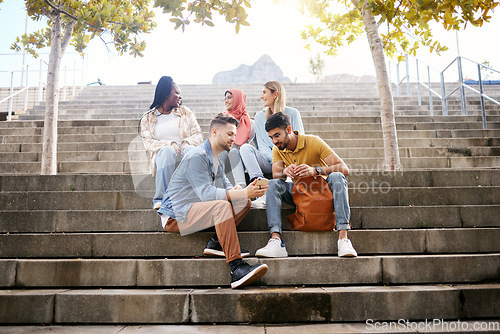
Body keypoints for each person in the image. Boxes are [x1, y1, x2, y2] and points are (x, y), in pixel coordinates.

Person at [158, 113, 269, 289]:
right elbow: (207, 194)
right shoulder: (197, 155)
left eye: (235, 134)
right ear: (215, 132)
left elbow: (225, 186)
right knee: (222, 206)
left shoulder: (215, 157)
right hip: (175, 215)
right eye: (230, 134)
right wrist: (241, 193)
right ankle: (236, 268)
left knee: (244, 202)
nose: (234, 138)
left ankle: (217, 241)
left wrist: (243, 191)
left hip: (195, 210)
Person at [255, 112, 358, 258]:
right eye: (271, 137)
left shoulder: (313, 141)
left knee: (337, 176)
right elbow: (276, 175)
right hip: (300, 192)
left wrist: (315, 170)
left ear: (289, 130)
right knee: (273, 184)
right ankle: (276, 241)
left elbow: (344, 168)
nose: (274, 141)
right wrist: (285, 171)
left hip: (322, 191)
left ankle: (343, 239)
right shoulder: (278, 149)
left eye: (277, 135)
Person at [140, 76, 203, 210]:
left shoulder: (185, 112)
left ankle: (200, 195)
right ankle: (161, 199)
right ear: (166, 93)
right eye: (177, 93)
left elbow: (198, 135)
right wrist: (170, 144)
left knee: (191, 150)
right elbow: (148, 143)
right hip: (164, 157)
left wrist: (186, 142)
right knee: (167, 151)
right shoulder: (148, 117)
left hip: (185, 153)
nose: (180, 96)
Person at [239, 81, 304, 208]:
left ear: (275, 94)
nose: (261, 96)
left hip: (290, 161)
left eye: (264, 92)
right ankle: (261, 188)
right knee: (245, 148)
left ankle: (290, 185)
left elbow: (299, 140)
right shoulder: (259, 117)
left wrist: (285, 161)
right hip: (269, 161)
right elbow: (262, 146)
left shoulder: (293, 113)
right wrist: (276, 159)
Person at [221, 89, 252, 187]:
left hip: (242, 159)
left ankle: (242, 188)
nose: (226, 101)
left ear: (239, 99)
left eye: (229, 98)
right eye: (225, 98)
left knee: (235, 152)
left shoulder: (250, 124)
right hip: (223, 157)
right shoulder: (221, 120)